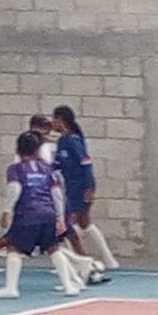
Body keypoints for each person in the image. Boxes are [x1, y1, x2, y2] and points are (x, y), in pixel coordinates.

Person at [0, 132, 81, 298]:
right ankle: (69, 286)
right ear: (38, 150)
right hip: (48, 214)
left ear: (18, 149)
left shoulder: (15, 169)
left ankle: (11, 288)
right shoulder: (48, 169)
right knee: (54, 248)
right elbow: (57, 193)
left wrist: (7, 209)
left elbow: (15, 188)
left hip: (26, 214)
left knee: (13, 247)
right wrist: (60, 217)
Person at [53, 103, 116, 279]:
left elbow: (86, 164)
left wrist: (88, 187)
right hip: (69, 185)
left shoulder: (73, 140)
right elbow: (58, 164)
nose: (52, 122)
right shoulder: (61, 141)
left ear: (61, 120)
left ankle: (83, 263)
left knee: (74, 224)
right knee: (82, 223)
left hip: (80, 185)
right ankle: (104, 260)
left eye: (54, 119)